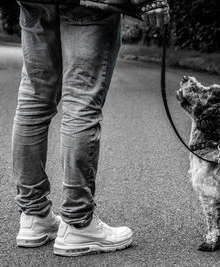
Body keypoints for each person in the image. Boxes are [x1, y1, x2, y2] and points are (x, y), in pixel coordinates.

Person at [12, 0, 170, 256]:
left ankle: (34, 215)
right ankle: (78, 223)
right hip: (89, 6)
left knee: (33, 100)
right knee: (81, 102)